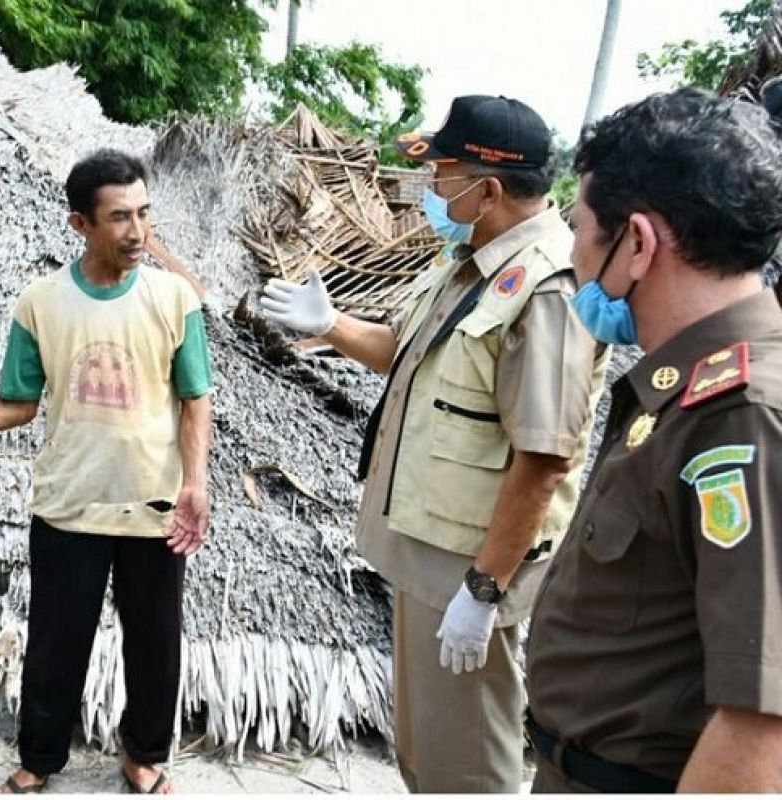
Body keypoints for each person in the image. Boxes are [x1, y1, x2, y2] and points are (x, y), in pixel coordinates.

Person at [260, 95, 608, 792]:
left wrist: (483, 590)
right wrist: (332, 325)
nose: (432, 190)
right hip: (428, 548)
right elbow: (408, 351)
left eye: (444, 173)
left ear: (488, 190)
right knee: (429, 753)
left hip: (470, 563)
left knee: (469, 762)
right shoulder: (468, 261)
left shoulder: (545, 289)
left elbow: (543, 460)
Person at [0, 149, 213, 795]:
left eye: (143, 214)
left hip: (154, 505)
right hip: (69, 503)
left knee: (155, 644)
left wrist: (196, 481)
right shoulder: (40, 303)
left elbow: (195, 398)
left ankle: (144, 754)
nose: (136, 232)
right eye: (118, 218)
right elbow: (14, 405)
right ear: (81, 224)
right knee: (56, 643)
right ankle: (40, 758)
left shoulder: (174, 298)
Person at [525, 88, 782, 793]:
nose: (571, 253)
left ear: (636, 243)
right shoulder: (691, 389)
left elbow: (761, 728)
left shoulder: (742, 416)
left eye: (577, 226)